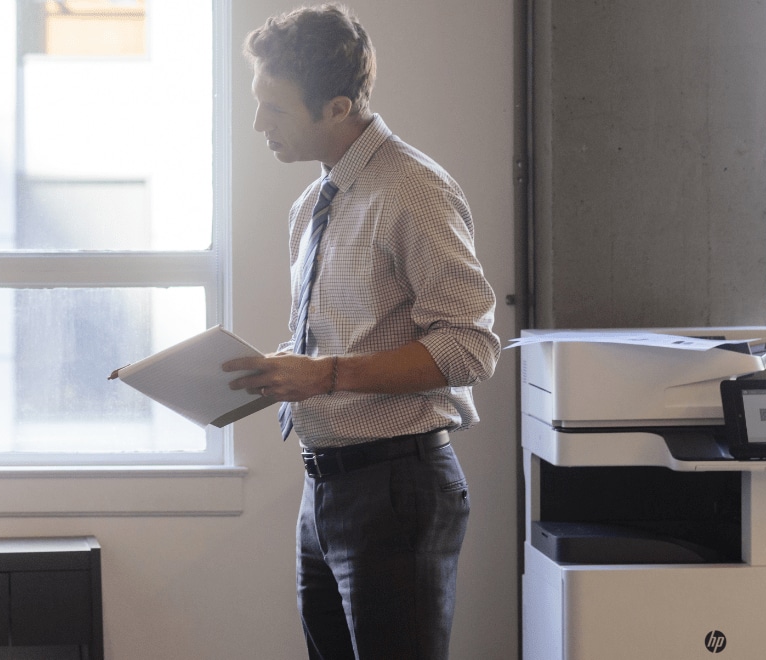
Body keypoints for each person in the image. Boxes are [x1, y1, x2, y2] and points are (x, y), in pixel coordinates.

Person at [224, 5, 499, 658]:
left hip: (397, 490)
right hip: (325, 487)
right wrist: (283, 368)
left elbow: (471, 345)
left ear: (339, 107)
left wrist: (326, 375)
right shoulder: (312, 205)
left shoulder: (415, 192)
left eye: (275, 108)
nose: (259, 123)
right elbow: (349, 336)